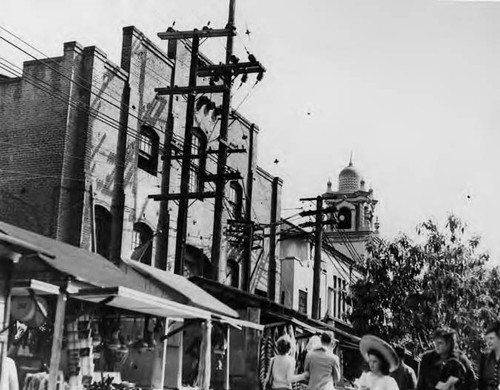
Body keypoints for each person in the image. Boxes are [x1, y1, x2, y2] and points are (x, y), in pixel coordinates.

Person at [478, 321, 500, 390]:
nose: (488, 342)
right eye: (487, 339)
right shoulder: (485, 358)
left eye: (491, 338)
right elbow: (481, 383)